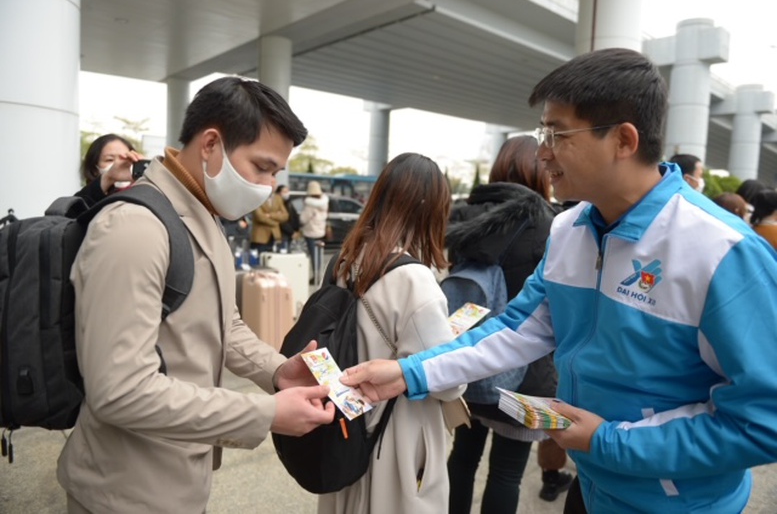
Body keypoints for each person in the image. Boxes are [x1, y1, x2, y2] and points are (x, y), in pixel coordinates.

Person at [340, 48, 777, 514]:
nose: (542, 150)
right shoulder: (569, 231)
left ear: (624, 140)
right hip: (590, 487)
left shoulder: (723, 251)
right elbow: (516, 330)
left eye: (557, 132)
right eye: (540, 131)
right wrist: (407, 374)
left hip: (677, 503)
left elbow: (763, 422)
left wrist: (607, 442)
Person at [57, 76, 335, 514]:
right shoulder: (136, 228)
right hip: (124, 489)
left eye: (275, 173)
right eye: (261, 167)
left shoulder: (200, 213)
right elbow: (121, 390)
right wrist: (265, 414)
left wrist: (279, 371)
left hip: (177, 476)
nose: (266, 186)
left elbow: (225, 324)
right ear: (210, 145)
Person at [318, 152, 465, 514]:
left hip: (348, 423)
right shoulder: (414, 279)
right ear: (431, 209)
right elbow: (448, 382)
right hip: (397, 433)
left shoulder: (348, 258)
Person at [444, 135, 570, 514]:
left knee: (462, 460)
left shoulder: (466, 214)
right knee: (507, 473)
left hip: (467, 360)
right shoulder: (550, 224)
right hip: (527, 370)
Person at [75, 133, 140, 206]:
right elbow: (70, 212)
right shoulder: (85, 199)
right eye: (110, 160)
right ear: (94, 169)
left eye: (126, 159)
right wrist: (108, 178)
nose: (119, 164)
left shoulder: (142, 193)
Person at [299, 180, 329, 280]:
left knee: (313, 255)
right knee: (319, 255)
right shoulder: (324, 202)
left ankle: (315, 276)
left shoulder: (309, 204)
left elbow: (303, 219)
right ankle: (319, 275)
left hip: (311, 232)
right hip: (321, 231)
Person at [250, 184, 289, 253]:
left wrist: (271, 215)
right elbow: (260, 217)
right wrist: (276, 222)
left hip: (275, 236)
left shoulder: (278, 198)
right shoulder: (256, 197)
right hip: (260, 237)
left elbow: (285, 215)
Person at [277, 184, 301, 250]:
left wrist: (297, 230)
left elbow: (295, 216)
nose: (287, 194)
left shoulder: (289, 203)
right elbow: (281, 221)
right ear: (279, 193)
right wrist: (292, 232)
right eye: (284, 192)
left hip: (291, 232)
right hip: (283, 233)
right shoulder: (278, 204)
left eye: (287, 191)